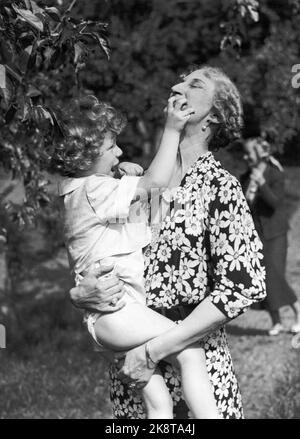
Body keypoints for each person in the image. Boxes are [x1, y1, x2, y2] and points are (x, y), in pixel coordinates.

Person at [70, 66, 267, 419]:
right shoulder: (138, 184)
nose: (177, 85)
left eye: (194, 84)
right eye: (180, 79)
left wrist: (154, 350)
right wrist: (81, 293)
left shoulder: (220, 186)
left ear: (215, 115)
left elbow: (242, 286)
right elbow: (95, 246)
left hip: (192, 367)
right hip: (138, 372)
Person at [52, 95, 222, 419]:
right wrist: (171, 129)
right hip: (117, 312)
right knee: (190, 353)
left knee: (159, 404)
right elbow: (154, 184)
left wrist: (121, 178)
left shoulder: (83, 192)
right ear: (86, 155)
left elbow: (144, 209)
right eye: (111, 147)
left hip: (108, 318)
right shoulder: (92, 190)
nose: (119, 152)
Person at [241, 137, 300, 336]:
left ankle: (298, 313)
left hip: (275, 234)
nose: (245, 156)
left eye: (249, 153)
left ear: (259, 155)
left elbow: (275, 204)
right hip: (256, 237)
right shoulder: (245, 177)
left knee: (275, 277)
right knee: (263, 279)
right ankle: (277, 322)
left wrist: (263, 184)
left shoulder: (275, 175)